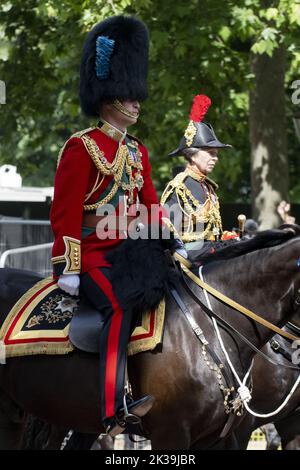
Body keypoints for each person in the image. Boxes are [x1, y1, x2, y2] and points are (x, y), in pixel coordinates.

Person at [50, 16, 173, 437]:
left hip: (132, 254)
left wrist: (171, 241)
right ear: (108, 97)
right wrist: (68, 264)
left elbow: (151, 205)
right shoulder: (82, 146)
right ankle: (112, 407)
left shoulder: (138, 153)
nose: (137, 104)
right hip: (92, 257)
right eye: (129, 96)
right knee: (120, 307)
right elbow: (64, 211)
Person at [161, 94, 238, 256]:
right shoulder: (179, 187)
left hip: (211, 255)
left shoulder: (209, 186)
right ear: (192, 154)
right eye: (211, 153)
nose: (215, 158)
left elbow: (212, 231)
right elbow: (165, 231)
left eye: (216, 154)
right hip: (190, 259)